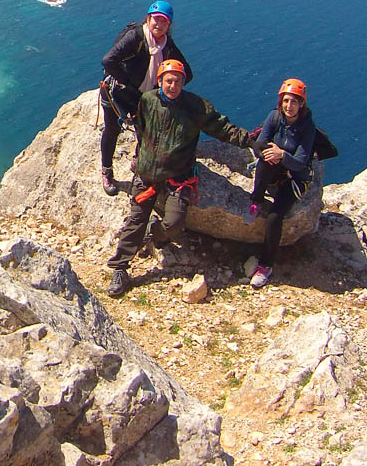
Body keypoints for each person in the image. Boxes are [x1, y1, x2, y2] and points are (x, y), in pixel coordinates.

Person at [106, 59, 266, 298]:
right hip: (147, 175)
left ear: (183, 83)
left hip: (177, 179)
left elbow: (222, 128)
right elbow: (140, 127)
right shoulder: (148, 101)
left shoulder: (196, 107)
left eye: (177, 81)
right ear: (159, 81)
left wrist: (249, 141)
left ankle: (156, 235)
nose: (173, 85)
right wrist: (139, 156)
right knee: (135, 221)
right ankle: (119, 269)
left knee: (174, 223)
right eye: (168, 80)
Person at [99, 0, 192, 196]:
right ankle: (107, 171)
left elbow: (187, 73)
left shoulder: (167, 45)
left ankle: (139, 163)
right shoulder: (136, 37)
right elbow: (108, 61)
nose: (159, 25)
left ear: (169, 25)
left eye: (164, 22)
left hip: (142, 96)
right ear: (148, 19)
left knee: (147, 131)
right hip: (117, 92)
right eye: (156, 20)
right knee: (112, 130)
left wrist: (166, 88)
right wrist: (128, 83)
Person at [245, 78, 316, 289]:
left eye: (294, 102)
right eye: (286, 101)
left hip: (294, 179)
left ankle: (266, 265)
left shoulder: (307, 128)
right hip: (275, 168)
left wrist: (282, 154)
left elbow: (302, 163)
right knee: (264, 163)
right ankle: (256, 200)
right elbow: (260, 144)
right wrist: (269, 153)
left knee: (275, 217)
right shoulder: (274, 117)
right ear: (280, 102)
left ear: (301, 104)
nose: (289, 106)